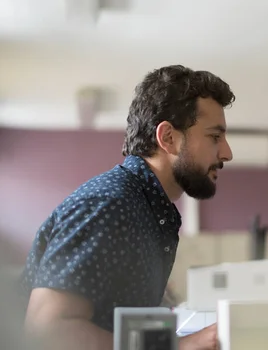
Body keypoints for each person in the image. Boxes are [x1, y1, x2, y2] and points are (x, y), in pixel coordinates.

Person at [20, 65, 235, 350]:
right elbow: (48, 334)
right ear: (168, 138)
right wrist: (178, 347)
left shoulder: (150, 210)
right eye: (214, 137)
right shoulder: (109, 205)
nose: (227, 153)